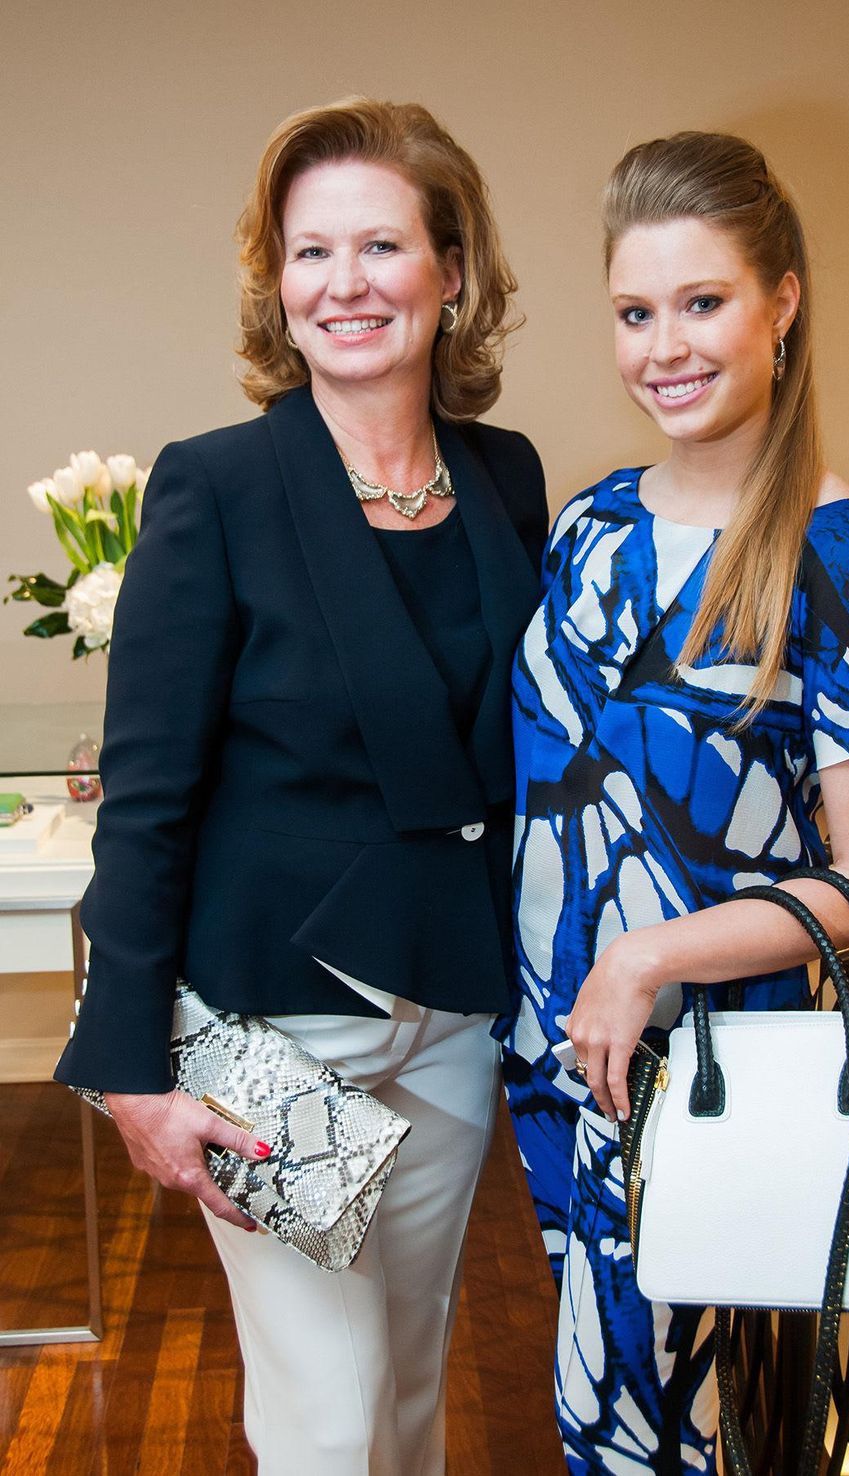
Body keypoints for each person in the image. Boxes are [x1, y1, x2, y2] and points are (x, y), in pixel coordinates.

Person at [55, 98, 548, 1476]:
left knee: (405, 1392)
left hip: (448, 1010)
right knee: (327, 1419)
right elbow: (148, 797)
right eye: (310, 251)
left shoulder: (508, 481)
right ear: (277, 279)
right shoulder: (214, 487)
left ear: (452, 270)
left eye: (381, 245)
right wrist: (130, 1067)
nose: (345, 284)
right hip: (269, 1030)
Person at [498, 131, 849, 1474]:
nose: (664, 347)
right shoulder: (591, 524)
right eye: (637, 312)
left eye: (704, 303)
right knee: (606, 1416)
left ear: (783, 301)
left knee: (654, 1433)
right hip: (564, 1058)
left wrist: (649, 956)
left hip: (704, 1078)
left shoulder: (842, 564)